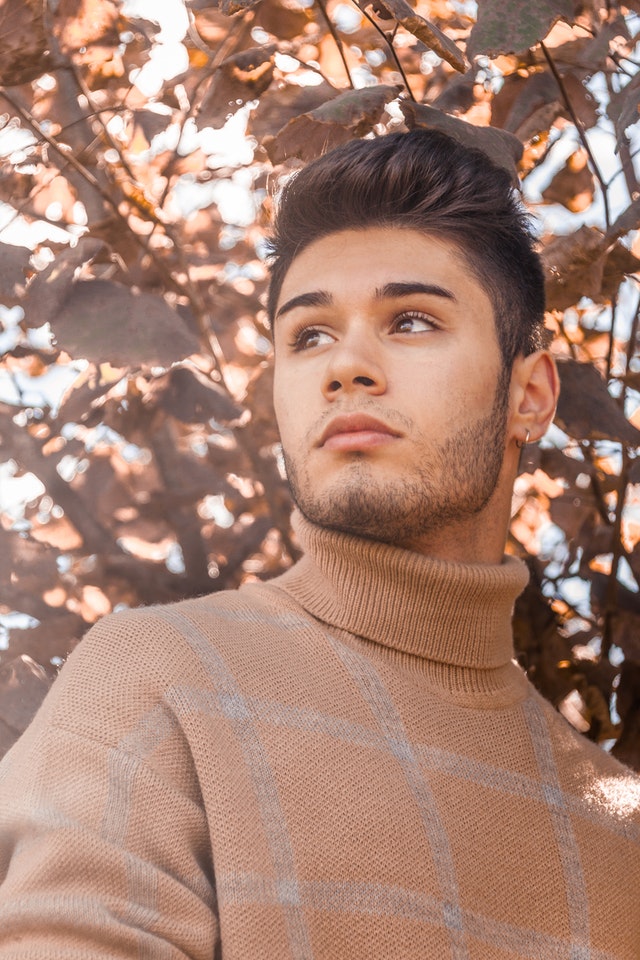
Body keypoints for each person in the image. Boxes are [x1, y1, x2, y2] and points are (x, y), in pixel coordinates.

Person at [0, 129, 638, 960]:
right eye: (308, 336)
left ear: (530, 396)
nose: (347, 367)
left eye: (411, 321)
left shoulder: (619, 827)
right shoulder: (159, 677)